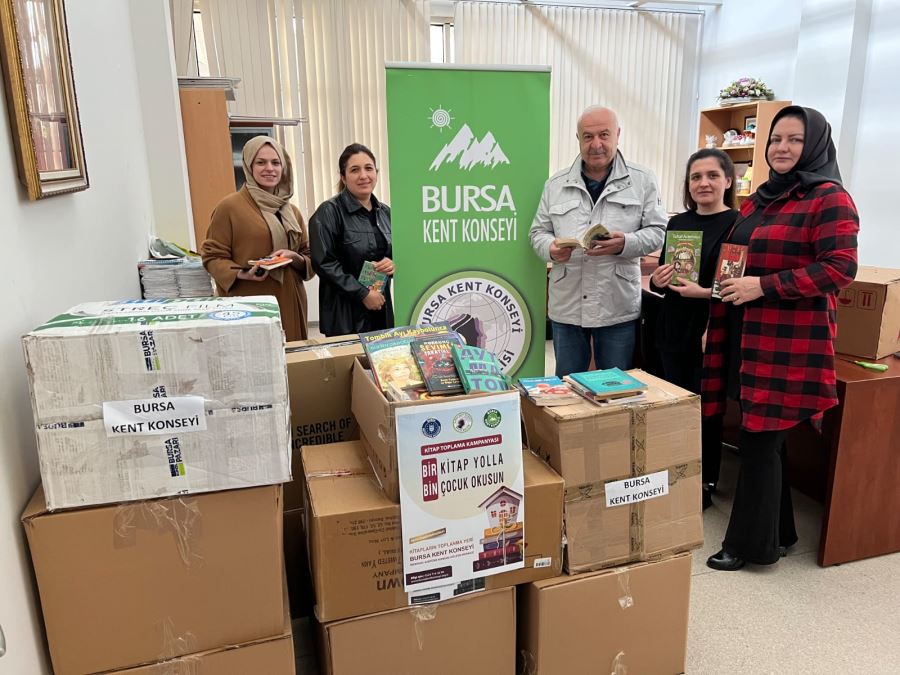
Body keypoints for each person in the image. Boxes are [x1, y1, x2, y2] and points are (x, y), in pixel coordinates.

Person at [702, 106, 859, 571]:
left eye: (793, 140)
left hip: (787, 343)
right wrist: (717, 301)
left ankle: (751, 548)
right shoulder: (759, 199)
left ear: (813, 145)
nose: (782, 149)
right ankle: (783, 533)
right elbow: (734, 257)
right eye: (775, 140)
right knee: (765, 439)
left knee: (759, 440)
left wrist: (762, 286)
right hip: (744, 336)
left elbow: (839, 269)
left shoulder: (829, 198)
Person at [530, 105, 667, 376]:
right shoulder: (555, 184)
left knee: (615, 387)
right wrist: (551, 249)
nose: (596, 144)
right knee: (567, 387)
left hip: (616, 303)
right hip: (567, 305)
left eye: (604, 135)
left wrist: (625, 243)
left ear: (617, 135)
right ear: (578, 139)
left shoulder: (642, 180)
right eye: (588, 136)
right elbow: (537, 233)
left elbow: (658, 231)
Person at [650, 149, 738, 509]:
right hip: (674, 324)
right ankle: (675, 471)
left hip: (710, 327)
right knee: (675, 401)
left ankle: (704, 482)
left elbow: (735, 285)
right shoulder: (678, 224)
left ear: (728, 181)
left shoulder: (738, 223)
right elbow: (662, 275)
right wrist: (658, 279)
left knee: (706, 408)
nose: (703, 183)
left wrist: (704, 293)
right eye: (695, 177)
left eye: (712, 175)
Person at [201, 136, 314, 341]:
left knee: (292, 363)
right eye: (261, 162)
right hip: (250, 303)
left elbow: (308, 255)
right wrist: (241, 274)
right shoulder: (230, 207)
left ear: (284, 167)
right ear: (248, 166)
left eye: (275, 162)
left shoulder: (291, 211)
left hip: (290, 300)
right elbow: (212, 257)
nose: (269, 168)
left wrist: (294, 257)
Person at [310, 143, 394, 336]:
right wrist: (362, 294)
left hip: (380, 310)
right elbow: (324, 263)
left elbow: (395, 254)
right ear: (343, 177)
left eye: (369, 168)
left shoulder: (386, 213)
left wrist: (392, 264)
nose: (363, 175)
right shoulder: (329, 212)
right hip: (344, 315)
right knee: (349, 366)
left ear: (376, 173)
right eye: (355, 170)